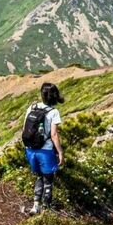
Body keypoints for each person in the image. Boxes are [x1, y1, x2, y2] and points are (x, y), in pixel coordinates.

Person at [22, 83, 65, 215]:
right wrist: (60, 152)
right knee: (48, 180)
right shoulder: (53, 112)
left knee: (39, 177)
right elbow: (54, 135)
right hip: (45, 151)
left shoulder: (32, 107)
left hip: (30, 150)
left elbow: (24, 129)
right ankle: (46, 210)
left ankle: (36, 206)